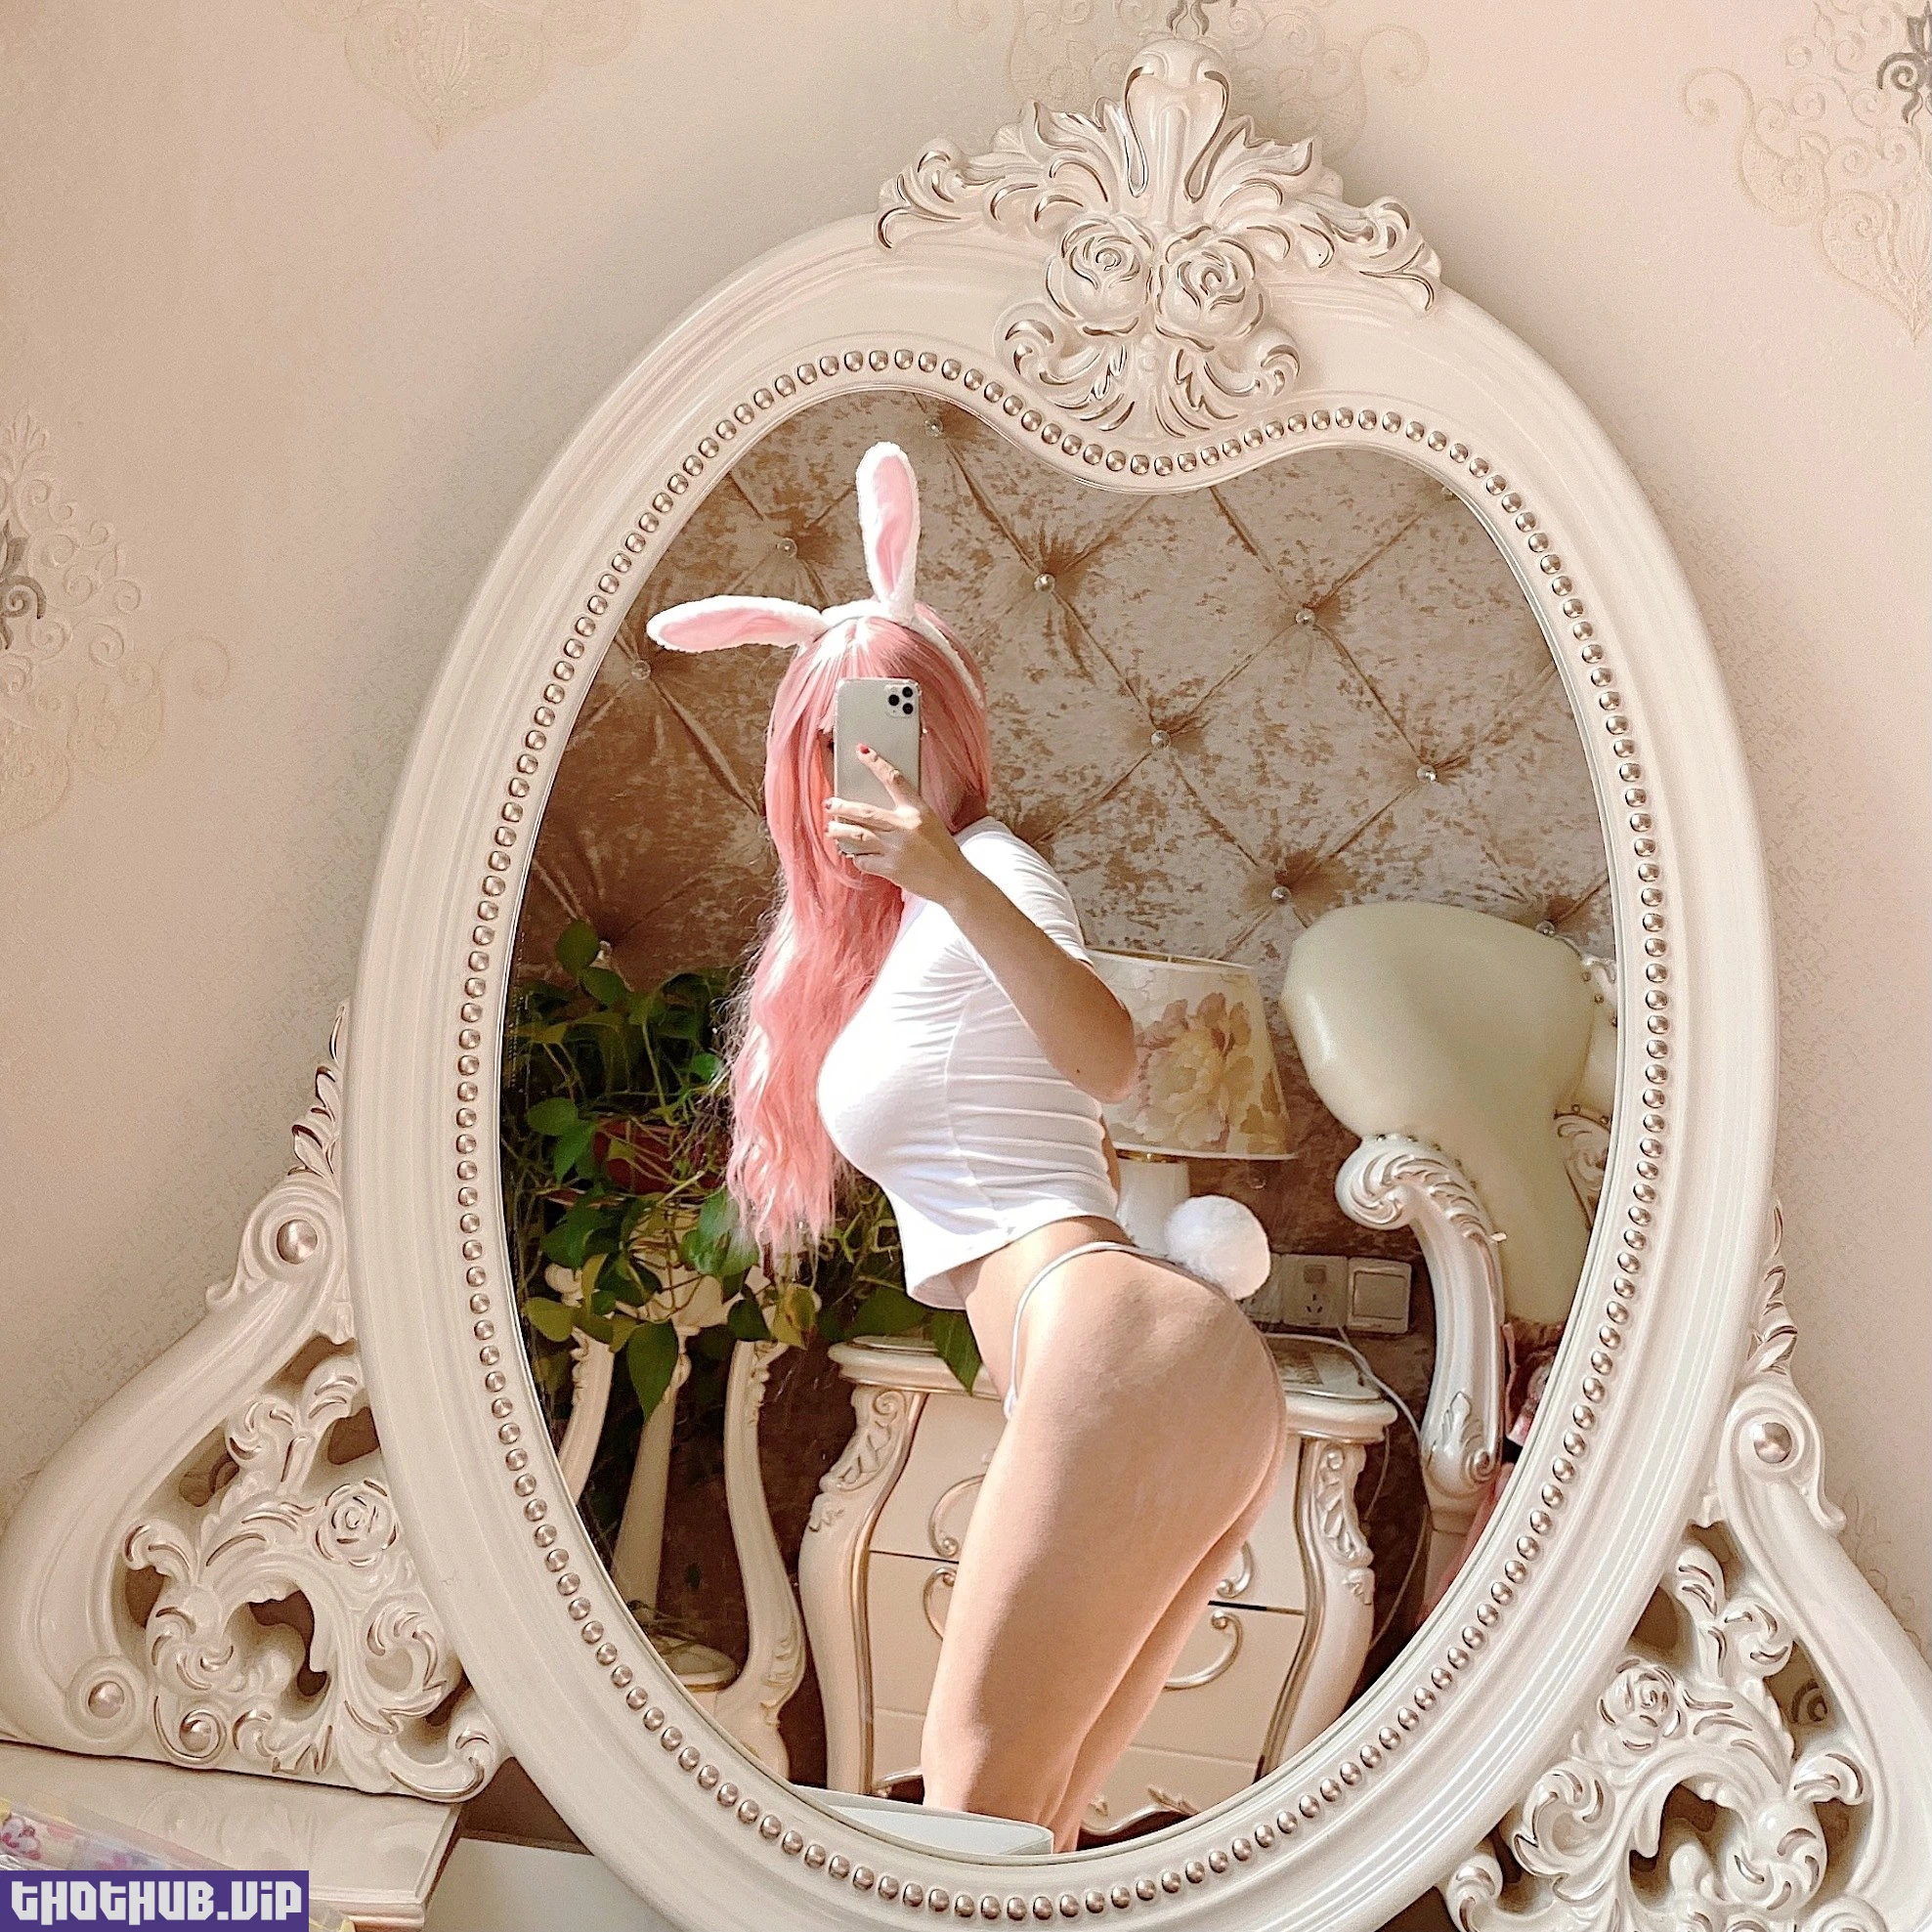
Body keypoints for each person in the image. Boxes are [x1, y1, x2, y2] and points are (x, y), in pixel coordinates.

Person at [647, 442, 1287, 1851]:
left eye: (892, 722)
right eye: (828, 737)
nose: (861, 761)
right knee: (1033, 1834)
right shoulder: (895, 940)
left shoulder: (988, 872)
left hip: (1111, 1338)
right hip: (1146, 1358)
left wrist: (942, 863)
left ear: (949, 731)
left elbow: (1108, 1058)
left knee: (970, 1800)